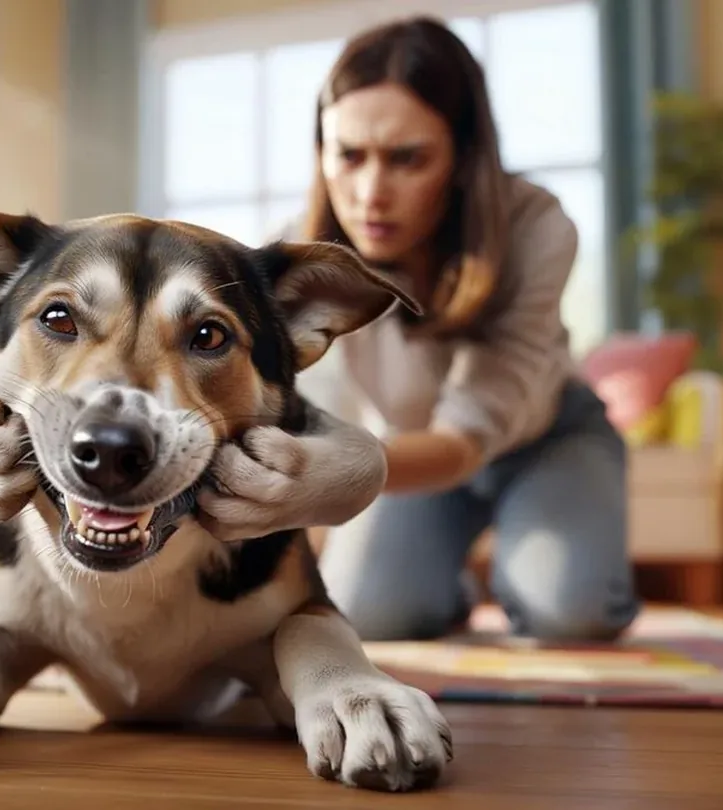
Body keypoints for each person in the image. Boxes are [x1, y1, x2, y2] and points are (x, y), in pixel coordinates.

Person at [289, 16, 640, 642]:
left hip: (545, 438)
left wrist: (317, 465)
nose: (370, 193)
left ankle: (551, 572)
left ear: (462, 158)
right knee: (367, 618)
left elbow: (462, 441)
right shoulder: (299, 257)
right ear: (322, 151)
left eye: (408, 159)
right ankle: (446, 590)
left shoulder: (537, 227)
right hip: (411, 451)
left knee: (568, 614)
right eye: (349, 155)